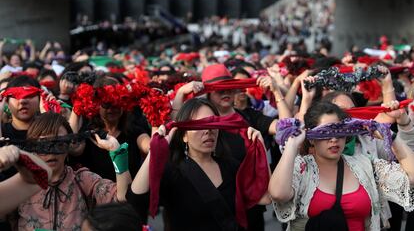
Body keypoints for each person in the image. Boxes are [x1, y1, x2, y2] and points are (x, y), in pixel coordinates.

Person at [127, 98, 270, 231]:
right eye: (199, 125)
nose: (208, 131)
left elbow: (265, 198)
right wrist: (156, 149)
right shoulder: (172, 171)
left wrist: (260, 146)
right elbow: (135, 199)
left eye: (212, 124)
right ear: (183, 135)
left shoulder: (231, 166)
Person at [269, 101, 414, 230]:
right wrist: (293, 144)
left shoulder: (364, 165)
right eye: (325, 133)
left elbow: (410, 177)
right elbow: (277, 194)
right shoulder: (302, 168)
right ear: (312, 138)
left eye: (340, 132)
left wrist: (391, 136)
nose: (334, 139)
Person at [1, 112, 131, 231]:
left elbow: (122, 197)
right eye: (43, 144)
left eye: (59, 143)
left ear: (68, 145)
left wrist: (117, 152)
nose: (51, 152)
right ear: (33, 147)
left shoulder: (82, 180)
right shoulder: (21, 186)